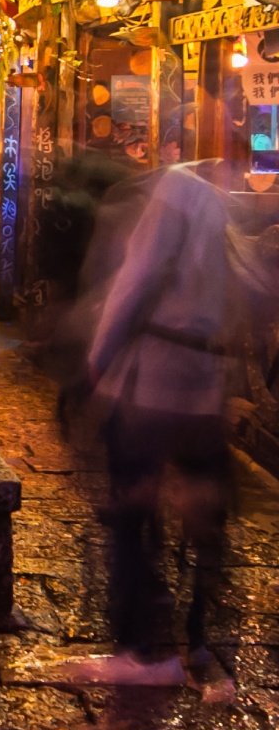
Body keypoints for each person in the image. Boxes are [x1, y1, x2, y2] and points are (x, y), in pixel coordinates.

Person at [80, 162, 234, 678]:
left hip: (157, 376)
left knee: (131, 500)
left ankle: (142, 648)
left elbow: (138, 274)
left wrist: (99, 355)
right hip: (206, 377)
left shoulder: (176, 188)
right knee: (201, 507)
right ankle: (201, 643)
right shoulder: (227, 201)